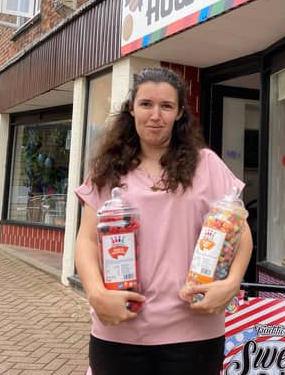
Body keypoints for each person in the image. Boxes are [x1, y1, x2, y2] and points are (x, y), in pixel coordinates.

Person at [75, 66, 253, 375]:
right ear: (131, 109)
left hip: (193, 330)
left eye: (166, 106)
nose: (155, 115)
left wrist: (232, 284)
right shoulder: (108, 169)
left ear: (180, 112)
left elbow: (242, 235)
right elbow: (87, 240)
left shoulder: (206, 165)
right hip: (120, 326)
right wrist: (95, 293)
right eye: (146, 104)